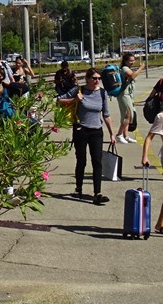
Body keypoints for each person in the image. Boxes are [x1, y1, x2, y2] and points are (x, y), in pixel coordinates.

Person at [58, 68, 116, 204]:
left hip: (96, 131)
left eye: (99, 78)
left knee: (97, 161)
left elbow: (106, 115)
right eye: (94, 78)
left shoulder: (102, 93)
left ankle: (97, 193)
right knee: (81, 160)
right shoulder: (79, 90)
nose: (97, 81)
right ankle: (78, 188)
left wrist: (112, 134)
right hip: (81, 129)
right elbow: (59, 100)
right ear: (87, 79)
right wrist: (74, 100)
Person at [140, 110, 163, 232]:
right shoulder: (161, 117)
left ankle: (160, 224)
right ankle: (159, 224)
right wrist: (145, 156)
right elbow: (149, 137)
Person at [117, 52, 143, 143]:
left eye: (133, 60)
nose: (132, 62)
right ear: (125, 61)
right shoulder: (124, 68)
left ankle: (126, 136)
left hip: (128, 95)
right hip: (124, 95)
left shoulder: (127, 68)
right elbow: (132, 76)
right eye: (130, 61)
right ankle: (119, 134)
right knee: (128, 115)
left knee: (128, 115)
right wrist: (141, 68)